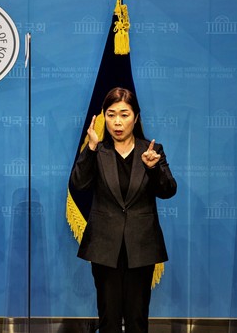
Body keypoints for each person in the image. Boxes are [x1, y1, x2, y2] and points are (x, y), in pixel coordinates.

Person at [69, 87, 177, 333]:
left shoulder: (152, 150)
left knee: (137, 319)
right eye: (111, 114)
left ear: (135, 117)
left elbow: (168, 190)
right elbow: (78, 184)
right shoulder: (97, 151)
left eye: (124, 115)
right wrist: (90, 149)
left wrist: (153, 168)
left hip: (141, 244)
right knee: (109, 319)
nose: (117, 122)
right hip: (105, 246)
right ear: (104, 117)